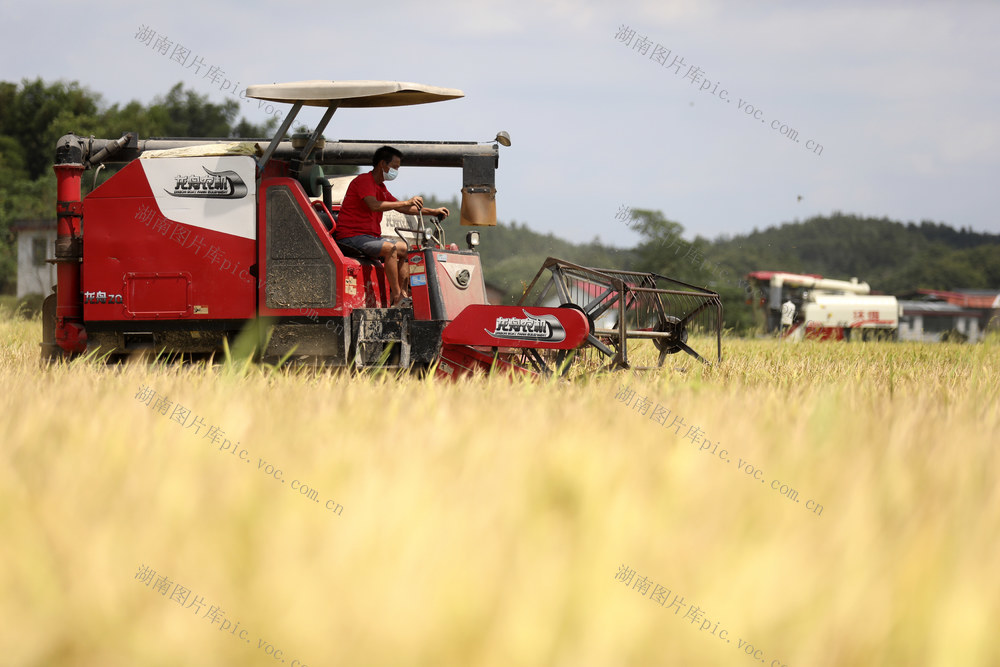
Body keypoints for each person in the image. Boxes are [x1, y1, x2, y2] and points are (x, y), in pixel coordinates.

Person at [333, 145, 449, 306]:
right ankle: (396, 297)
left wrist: (433, 211)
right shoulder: (364, 181)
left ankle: (403, 293)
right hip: (352, 236)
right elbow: (374, 205)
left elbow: (402, 207)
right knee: (391, 249)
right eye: (394, 167)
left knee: (404, 248)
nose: (396, 171)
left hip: (369, 237)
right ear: (382, 164)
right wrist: (406, 201)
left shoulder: (381, 187)